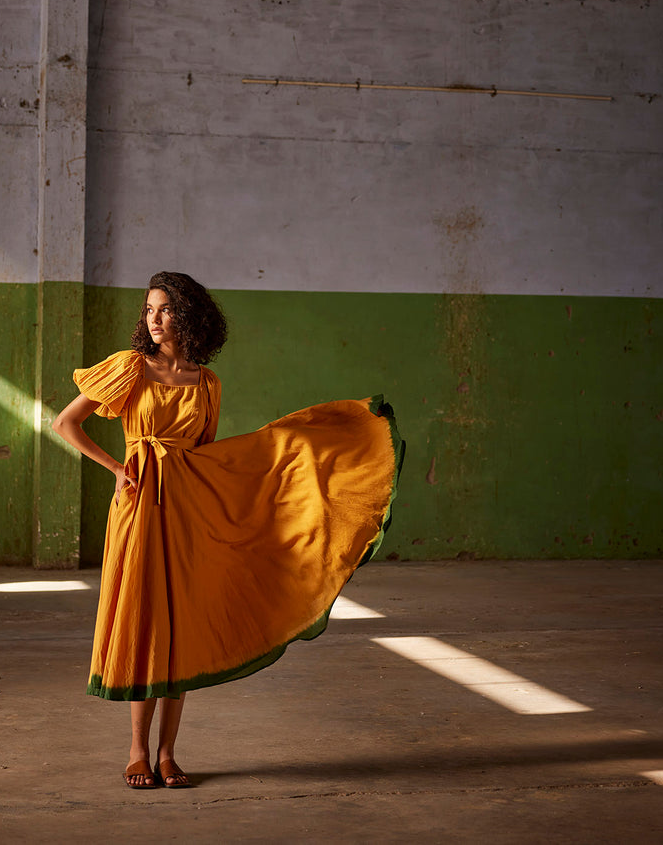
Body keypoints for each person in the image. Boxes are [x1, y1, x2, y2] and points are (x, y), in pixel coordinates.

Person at [53, 271, 404, 791]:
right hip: (139, 504)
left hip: (190, 507)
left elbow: (208, 454)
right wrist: (117, 469)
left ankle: (169, 753)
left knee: (185, 625)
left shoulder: (208, 383)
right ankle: (136, 750)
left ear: (187, 317)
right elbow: (65, 423)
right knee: (147, 619)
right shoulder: (131, 369)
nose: (153, 319)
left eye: (165, 310)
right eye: (148, 309)